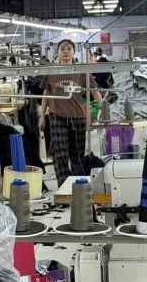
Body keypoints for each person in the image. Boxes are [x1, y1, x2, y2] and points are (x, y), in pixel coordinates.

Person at [39, 39, 102, 185]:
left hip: (78, 117)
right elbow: (46, 94)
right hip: (57, 117)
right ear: (58, 53)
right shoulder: (52, 71)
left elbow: (95, 91)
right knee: (60, 155)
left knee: (77, 155)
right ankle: (63, 186)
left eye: (69, 49)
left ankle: (76, 185)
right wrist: (42, 116)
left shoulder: (81, 71)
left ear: (74, 52)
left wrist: (104, 110)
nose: (66, 51)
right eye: (62, 49)